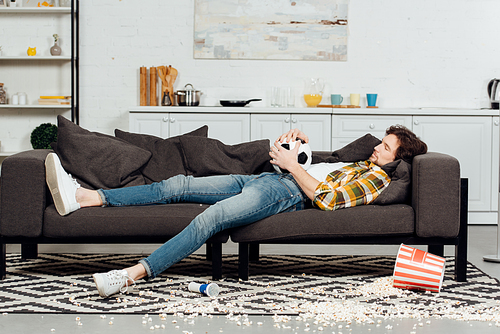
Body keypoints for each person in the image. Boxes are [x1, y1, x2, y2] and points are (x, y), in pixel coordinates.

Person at [45, 125, 427, 298]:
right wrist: (295, 146)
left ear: (398, 160)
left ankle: (131, 275)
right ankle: (89, 197)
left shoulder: (376, 180)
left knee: (209, 219)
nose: (378, 147)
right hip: (265, 178)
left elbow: (327, 198)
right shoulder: (360, 162)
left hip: (286, 193)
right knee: (178, 183)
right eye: (381, 142)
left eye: (386, 147)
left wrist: (294, 167)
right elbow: (317, 165)